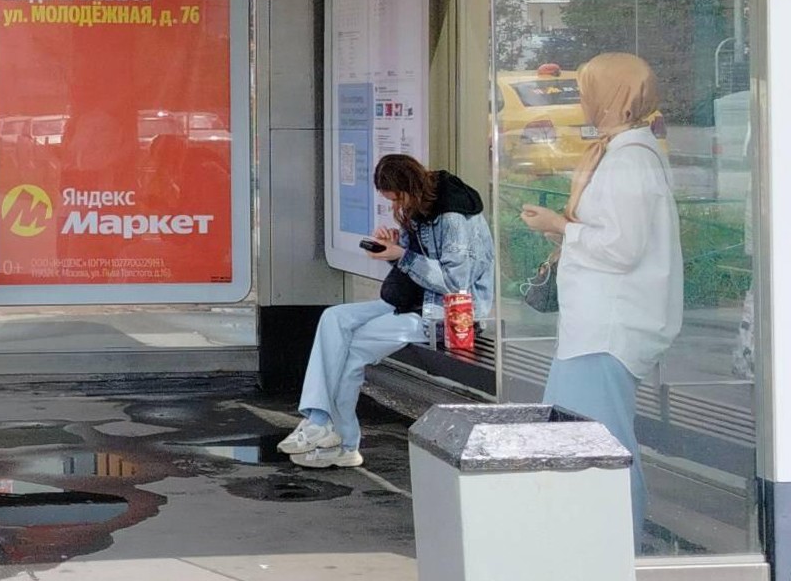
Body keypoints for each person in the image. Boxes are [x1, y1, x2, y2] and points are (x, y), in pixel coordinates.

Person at [520, 51, 683, 545]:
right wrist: (565, 230)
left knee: (596, 446)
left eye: (589, 90)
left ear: (614, 96)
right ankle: (598, 548)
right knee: (581, 440)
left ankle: (615, 551)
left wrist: (560, 226)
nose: (583, 100)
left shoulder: (628, 159)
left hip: (606, 329)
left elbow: (622, 247)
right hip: (594, 328)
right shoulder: (623, 153)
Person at [279, 153, 492, 468]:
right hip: (411, 303)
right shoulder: (421, 207)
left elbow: (454, 282)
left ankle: (342, 441)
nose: (396, 206)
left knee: (349, 350)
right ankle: (318, 419)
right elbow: (413, 268)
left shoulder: (453, 218)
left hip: (447, 316)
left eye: (396, 198)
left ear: (410, 187)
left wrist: (401, 255)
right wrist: (393, 250)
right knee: (333, 318)